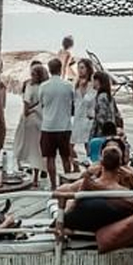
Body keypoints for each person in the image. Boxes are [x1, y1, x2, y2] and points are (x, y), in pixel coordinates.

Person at [37, 57, 77, 187]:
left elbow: (41, 103)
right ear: (61, 69)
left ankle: (53, 184)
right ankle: (67, 183)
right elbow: (73, 102)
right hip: (64, 126)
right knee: (66, 157)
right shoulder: (68, 86)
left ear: (49, 70)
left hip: (48, 126)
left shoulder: (43, 86)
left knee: (50, 158)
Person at [13, 60, 46, 170]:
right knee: (38, 146)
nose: (31, 76)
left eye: (33, 74)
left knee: (22, 143)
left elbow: (26, 106)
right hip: (41, 119)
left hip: (29, 119)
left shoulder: (29, 86)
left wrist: (30, 110)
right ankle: (40, 167)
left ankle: (20, 164)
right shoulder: (45, 87)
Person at [71, 58, 96, 162]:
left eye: (82, 68)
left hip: (88, 117)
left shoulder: (92, 84)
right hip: (77, 117)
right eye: (78, 68)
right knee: (70, 145)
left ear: (88, 69)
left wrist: (83, 88)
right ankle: (76, 165)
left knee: (88, 145)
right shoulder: (76, 83)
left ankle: (90, 165)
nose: (80, 70)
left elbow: (89, 99)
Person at [90, 70, 120, 140]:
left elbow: (101, 116)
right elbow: (117, 114)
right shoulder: (110, 97)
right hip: (111, 130)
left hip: (102, 132)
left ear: (98, 81)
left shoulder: (101, 97)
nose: (92, 83)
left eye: (94, 81)